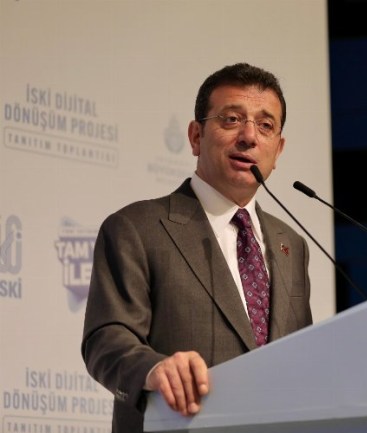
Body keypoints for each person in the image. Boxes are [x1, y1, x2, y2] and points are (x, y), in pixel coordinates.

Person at [81, 63, 313, 433]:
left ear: (278, 148)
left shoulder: (292, 245)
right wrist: (154, 370)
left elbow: (302, 359)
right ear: (195, 136)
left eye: (265, 125)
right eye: (231, 119)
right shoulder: (136, 228)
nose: (249, 136)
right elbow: (106, 340)